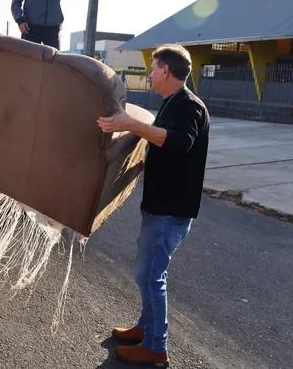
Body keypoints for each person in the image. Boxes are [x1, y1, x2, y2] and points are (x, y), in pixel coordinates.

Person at [96, 44, 210, 367]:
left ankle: (156, 347)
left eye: (153, 67)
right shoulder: (171, 103)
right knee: (146, 272)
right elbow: (167, 147)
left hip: (171, 212)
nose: (149, 73)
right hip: (160, 206)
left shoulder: (190, 106)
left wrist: (130, 125)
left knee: (151, 275)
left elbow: (177, 142)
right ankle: (146, 329)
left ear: (165, 71)